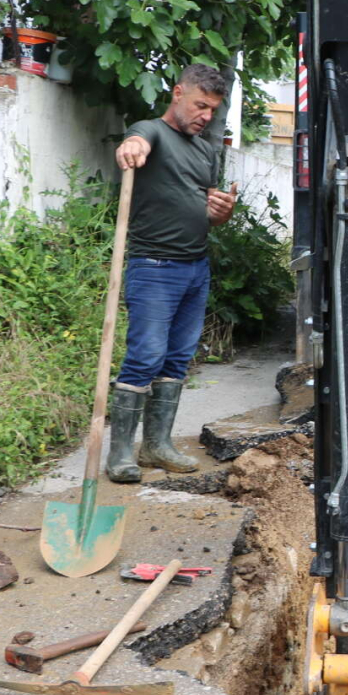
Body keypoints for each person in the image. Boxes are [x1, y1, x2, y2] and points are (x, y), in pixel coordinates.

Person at [107, 63, 238, 483]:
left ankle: (157, 445)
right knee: (145, 356)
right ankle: (120, 454)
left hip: (195, 267)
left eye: (212, 110)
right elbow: (135, 141)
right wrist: (131, 148)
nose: (206, 116)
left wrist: (220, 213)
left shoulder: (205, 150)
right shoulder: (152, 131)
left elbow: (205, 210)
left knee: (177, 359)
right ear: (178, 93)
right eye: (200, 105)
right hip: (154, 267)